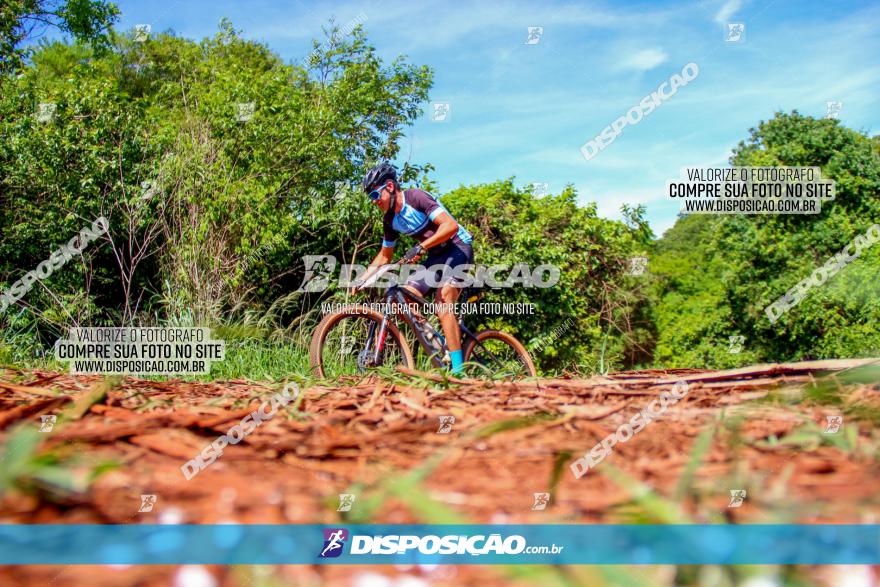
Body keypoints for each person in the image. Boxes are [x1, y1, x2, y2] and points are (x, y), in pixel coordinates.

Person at [355, 162, 474, 374]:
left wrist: (420, 247)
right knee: (403, 300)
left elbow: (450, 226)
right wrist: (362, 279)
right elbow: (384, 255)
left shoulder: (416, 197)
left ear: (389, 187)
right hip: (436, 256)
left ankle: (459, 372)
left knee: (443, 301)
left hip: (457, 248)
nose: (374, 202)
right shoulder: (390, 220)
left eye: (375, 195)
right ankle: (437, 344)